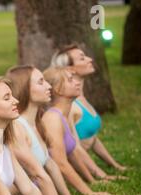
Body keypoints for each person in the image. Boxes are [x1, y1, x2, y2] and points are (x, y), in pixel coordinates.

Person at [6, 65, 87, 195]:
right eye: (41, 82)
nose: (48, 86)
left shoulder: (36, 122)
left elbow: (50, 165)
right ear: (25, 89)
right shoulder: (17, 127)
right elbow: (39, 176)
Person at [51, 44, 127, 173]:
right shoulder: (70, 106)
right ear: (71, 69)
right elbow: (75, 149)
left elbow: (92, 138)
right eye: (82, 58)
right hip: (73, 171)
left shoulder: (80, 99)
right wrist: (100, 175)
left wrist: (116, 166)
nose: (89, 59)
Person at [41, 67, 111, 195]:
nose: (77, 82)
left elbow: (72, 152)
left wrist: (92, 181)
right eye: (70, 80)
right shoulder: (53, 119)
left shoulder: (62, 115)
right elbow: (60, 163)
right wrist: (89, 193)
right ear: (57, 89)